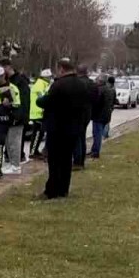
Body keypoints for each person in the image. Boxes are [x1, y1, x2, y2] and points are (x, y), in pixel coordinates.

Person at [38, 58, 88, 199]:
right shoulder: (81, 84)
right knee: (66, 160)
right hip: (73, 128)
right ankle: (63, 189)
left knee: (54, 161)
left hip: (57, 127)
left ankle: (52, 190)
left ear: (61, 69)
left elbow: (47, 102)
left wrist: (40, 100)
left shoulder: (58, 85)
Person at [0, 57, 29, 173]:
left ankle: (15, 165)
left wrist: (19, 116)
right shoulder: (8, 81)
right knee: (9, 142)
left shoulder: (20, 82)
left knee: (14, 142)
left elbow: (23, 101)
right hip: (9, 115)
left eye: (2, 69)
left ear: (7, 67)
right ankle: (12, 163)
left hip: (17, 116)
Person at [73, 64, 97, 170]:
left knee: (77, 137)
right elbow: (95, 98)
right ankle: (81, 161)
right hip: (88, 112)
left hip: (78, 112)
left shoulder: (77, 83)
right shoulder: (92, 84)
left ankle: (78, 162)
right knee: (82, 136)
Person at [27, 69, 52, 159]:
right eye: (49, 77)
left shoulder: (42, 84)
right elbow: (42, 98)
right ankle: (33, 152)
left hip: (39, 112)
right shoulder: (40, 85)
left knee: (40, 134)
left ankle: (35, 151)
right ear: (45, 77)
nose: (50, 78)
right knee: (37, 134)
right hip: (38, 113)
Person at [91, 76, 116, 158]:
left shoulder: (100, 90)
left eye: (97, 80)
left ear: (100, 81)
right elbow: (113, 102)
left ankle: (95, 152)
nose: (96, 82)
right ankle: (94, 149)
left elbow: (96, 103)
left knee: (97, 134)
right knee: (99, 133)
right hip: (106, 115)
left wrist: (92, 112)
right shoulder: (111, 90)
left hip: (99, 116)